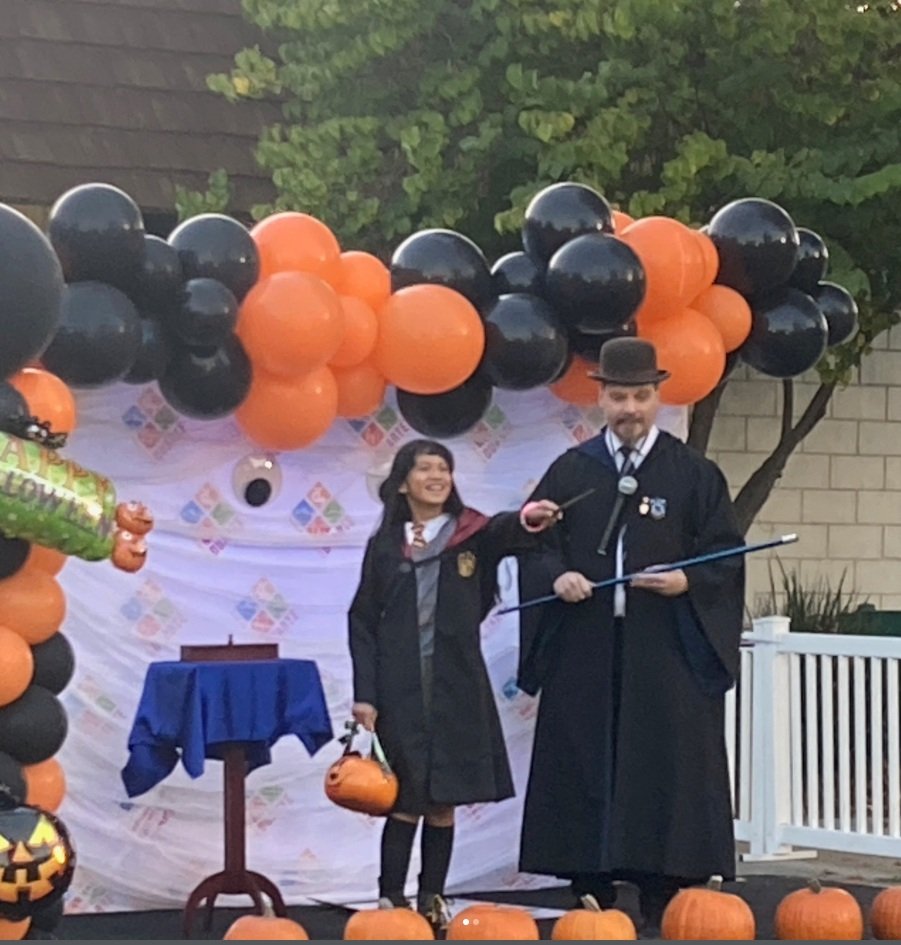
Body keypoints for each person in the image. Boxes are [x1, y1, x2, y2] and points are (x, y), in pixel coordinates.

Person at [516, 337, 745, 933]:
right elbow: (536, 540)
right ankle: (588, 881)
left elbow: (725, 555)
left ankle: (661, 882)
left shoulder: (693, 474)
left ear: (658, 397)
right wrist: (558, 573)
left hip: (663, 644)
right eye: (619, 396)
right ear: (602, 398)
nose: (630, 409)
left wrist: (686, 581)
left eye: (641, 396)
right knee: (585, 756)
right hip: (588, 644)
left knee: (661, 759)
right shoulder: (572, 470)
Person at [348, 438, 559, 928]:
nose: (437, 476)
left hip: (456, 686)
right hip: (399, 689)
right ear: (403, 482)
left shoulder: (471, 534)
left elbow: (511, 530)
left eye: (443, 468)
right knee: (404, 798)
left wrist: (530, 516)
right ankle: (388, 900)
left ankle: (432, 897)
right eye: (424, 469)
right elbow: (361, 619)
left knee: (443, 801)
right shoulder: (385, 545)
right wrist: (366, 694)